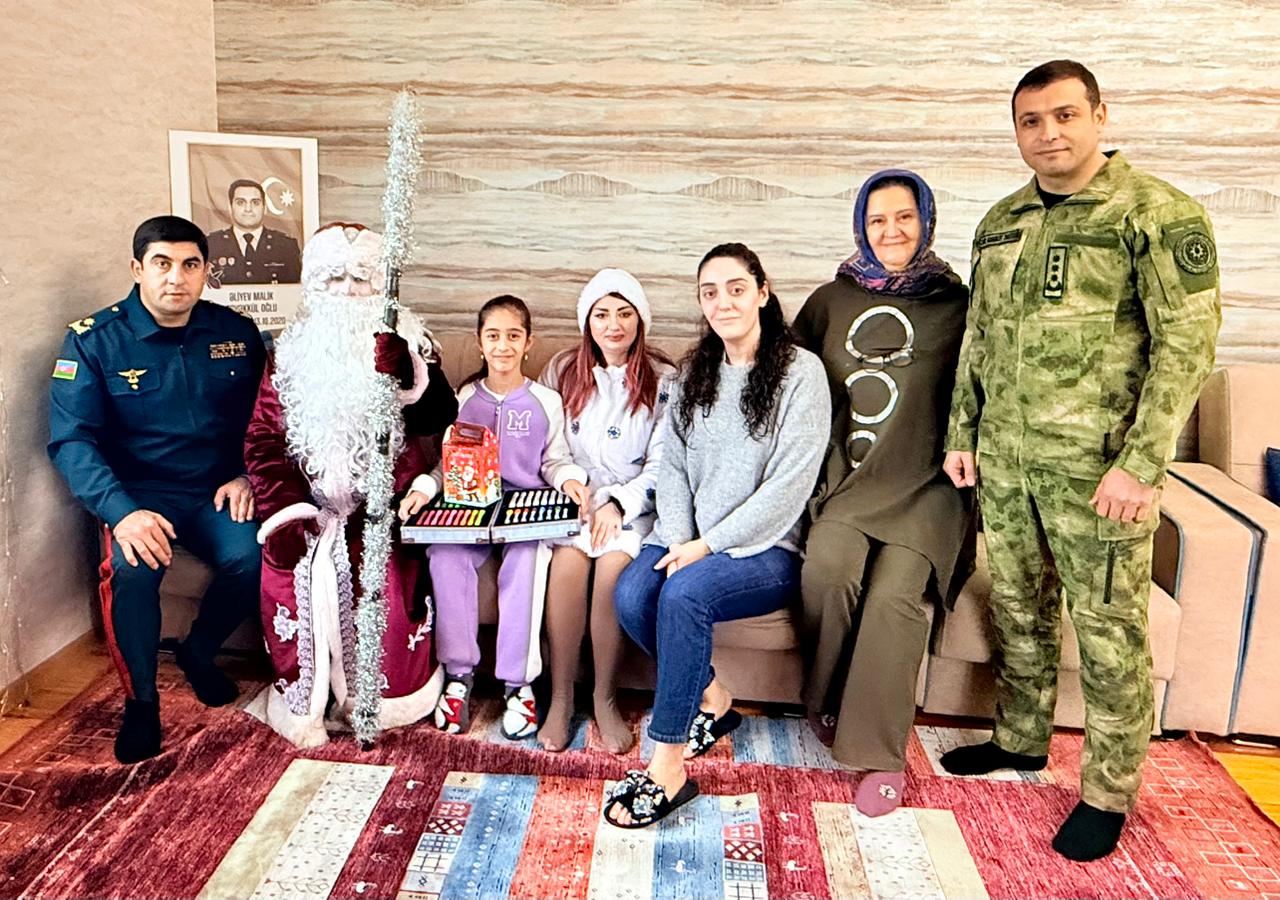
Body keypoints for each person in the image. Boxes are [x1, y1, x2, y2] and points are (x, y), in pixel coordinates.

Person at [940, 60, 1221, 861]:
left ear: (1100, 115)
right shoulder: (1001, 221)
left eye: (1065, 115)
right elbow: (979, 338)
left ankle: (1107, 791)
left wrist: (1143, 464)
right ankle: (1021, 739)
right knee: (1017, 609)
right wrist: (963, 433)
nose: (1048, 133)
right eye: (1031, 120)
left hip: (1102, 473)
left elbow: (1187, 347)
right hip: (1008, 462)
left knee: (1107, 632)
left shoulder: (1156, 213)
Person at [604, 244, 830, 828]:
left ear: (762, 293)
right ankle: (714, 698)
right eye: (710, 292)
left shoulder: (801, 374)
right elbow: (674, 468)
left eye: (736, 288)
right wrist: (682, 541)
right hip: (689, 537)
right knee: (632, 595)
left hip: (767, 546)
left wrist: (704, 549)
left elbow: (788, 486)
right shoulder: (691, 374)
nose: (723, 302)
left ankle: (667, 767)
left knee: (683, 595)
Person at [48, 215, 266, 764]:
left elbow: (264, 420)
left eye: (190, 265)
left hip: (216, 488)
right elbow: (72, 441)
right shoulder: (94, 341)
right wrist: (121, 512)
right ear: (137, 268)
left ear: (206, 272)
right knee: (131, 569)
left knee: (254, 557)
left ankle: (198, 652)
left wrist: (248, 473)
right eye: (162, 263)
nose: (176, 278)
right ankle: (141, 702)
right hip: (138, 494)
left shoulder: (235, 334)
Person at [795, 169, 973, 816]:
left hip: (927, 489)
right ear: (859, 228)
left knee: (896, 596)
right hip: (849, 483)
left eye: (904, 216)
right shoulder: (829, 302)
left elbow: (991, 388)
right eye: (877, 220)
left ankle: (879, 753)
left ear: (926, 220)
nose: (891, 231)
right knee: (829, 570)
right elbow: (786, 387)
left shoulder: (961, 306)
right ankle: (825, 701)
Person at [243, 222, 457, 747]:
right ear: (313, 285)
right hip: (307, 509)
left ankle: (382, 703)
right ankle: (309, 706)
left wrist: (407, 374)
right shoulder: (287, 355)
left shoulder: (409, 342)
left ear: (380, 283)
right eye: (333, 279)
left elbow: (440, 416)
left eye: (360, 279)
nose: (346, 291)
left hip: (385, 509)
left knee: (384, 584)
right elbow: (263, 438)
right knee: (292, 572)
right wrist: (286, 510)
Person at [401, 296, 589, 740]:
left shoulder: (546, 401)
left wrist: (570, 481)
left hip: (527, 511)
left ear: (528, 342)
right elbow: (447, 465)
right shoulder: (464, 399)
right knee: (445, 555)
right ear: (480, 343)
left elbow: (555, 460)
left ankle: (518, 685)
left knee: (528, 560)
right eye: (493, 336)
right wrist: (422, 489)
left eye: (513, 335)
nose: (503, 345)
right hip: (470, 509)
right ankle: (458, 677)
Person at [537, 269, 676, 753]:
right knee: (567, 567)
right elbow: (547, 448)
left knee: (612, 570)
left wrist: (619, 503)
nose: (613, 325)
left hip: (631, 508)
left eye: (624, 314)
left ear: (640, 320)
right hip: (574, 504)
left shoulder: (665, 378)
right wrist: (570, 483)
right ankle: (560, 697)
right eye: (601, 314)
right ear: (587, 321)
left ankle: (604, 696)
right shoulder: (561, 370)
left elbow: (665, 463)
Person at [206, 179, 302, 287]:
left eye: (255, 203)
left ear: (264, 208)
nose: (248, 209)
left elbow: (295, 291)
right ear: (230, 207)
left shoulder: (286, 246)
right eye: (240, 202)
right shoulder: (210, 245)